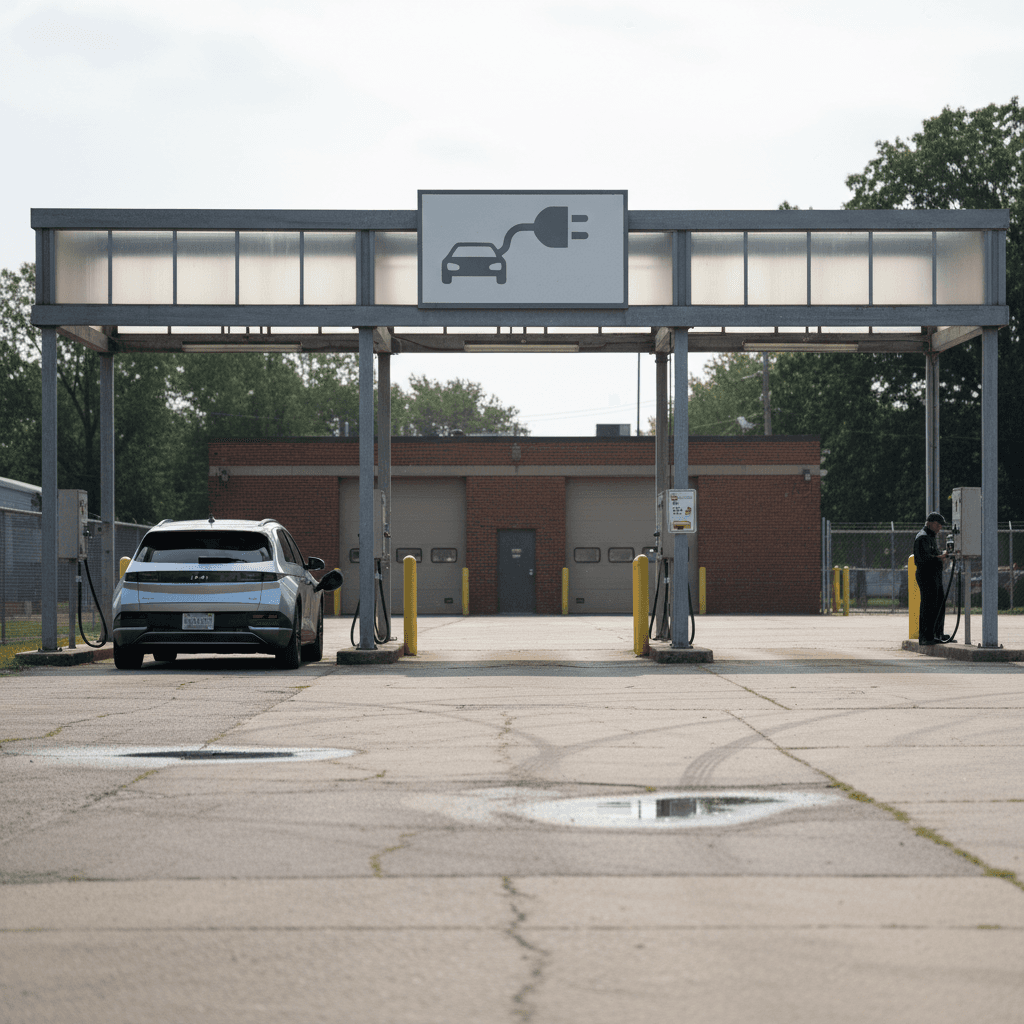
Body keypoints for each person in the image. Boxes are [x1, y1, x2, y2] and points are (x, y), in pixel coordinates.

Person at [914, 512, 948, 645]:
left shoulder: (930, 536)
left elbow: (933, 554)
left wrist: (941, 556)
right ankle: (926, 636)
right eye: (937, 524)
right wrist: (941, 557)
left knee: (939, 603)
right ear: (929, 523)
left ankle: (937, 633)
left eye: (941, 525)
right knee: (929, 605)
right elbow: (924, 559)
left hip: (934, 576)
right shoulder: (923, 538)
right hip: (927, 575)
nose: (939, 527)